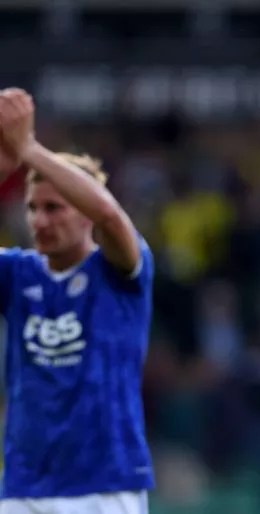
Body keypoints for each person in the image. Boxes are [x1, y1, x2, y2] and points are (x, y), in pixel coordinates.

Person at [0, 88, 153, 513]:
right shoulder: (16, 273)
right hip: (24, 485)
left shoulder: (119, 270)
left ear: (84, 212)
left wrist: (28, 149)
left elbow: (110, 215)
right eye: (33, 208)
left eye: (54, 208)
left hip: (104, 485)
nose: (39, 220)